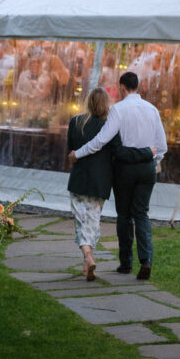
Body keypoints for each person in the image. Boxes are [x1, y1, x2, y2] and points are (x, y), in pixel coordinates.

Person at [69, 71, 167, 280]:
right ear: (137, 86)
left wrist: (77, 153)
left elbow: (101, 141)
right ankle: (146, 260)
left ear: (122, 87)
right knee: (141, 214)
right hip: (147, 168)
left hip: (124, 169)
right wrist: (151, 162)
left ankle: (125, 263)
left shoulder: (118, 110)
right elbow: (162, 147)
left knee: (124, 215)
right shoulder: (152, 109)